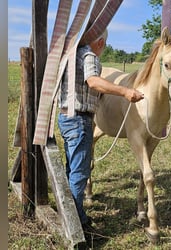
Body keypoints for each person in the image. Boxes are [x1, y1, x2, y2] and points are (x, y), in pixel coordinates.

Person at [57, 30, 144, 236]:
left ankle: (71, 213)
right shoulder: (89, 56)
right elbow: (94, 82)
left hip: (66, 117)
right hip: (79, 120)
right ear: (101, 42)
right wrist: (125, 91)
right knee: (80, 174)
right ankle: (76, 223)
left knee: (72, 169)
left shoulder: (72, 55)